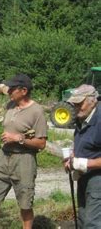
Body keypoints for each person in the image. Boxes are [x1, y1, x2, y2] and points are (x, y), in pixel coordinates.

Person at [0, 74, 47, 229]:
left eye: (12, 88)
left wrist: (19, 138)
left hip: (24, 160)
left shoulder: (36, 111)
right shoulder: (10, 106)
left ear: (23, 90)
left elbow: (42, 143)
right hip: (3, 157)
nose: (8, 90)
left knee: (25, 203)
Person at [63, 84, 101, 228]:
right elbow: (83, 144)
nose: (76, 107)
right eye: (74, 104)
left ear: (93, 101)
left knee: (93, 223)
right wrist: (72, 158)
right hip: (84, 177)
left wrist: (83, 163)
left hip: (98, 179)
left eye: (80, 103)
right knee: (83, 219)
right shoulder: (82, 119)